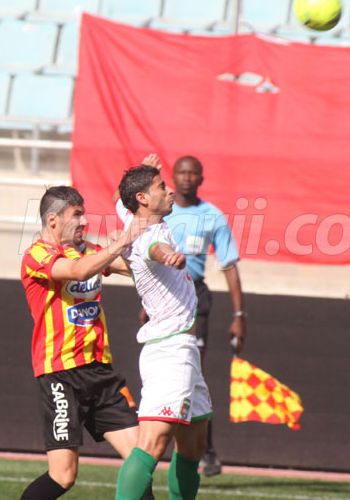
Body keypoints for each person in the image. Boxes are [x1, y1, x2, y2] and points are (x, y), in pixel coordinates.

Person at [19, 185, 153, 500]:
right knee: (64, 476)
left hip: (101, 373)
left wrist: (151, 229)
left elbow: (136, 269)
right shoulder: (36, 255)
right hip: (60, 374)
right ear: (53, 221)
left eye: (84, 214)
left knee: (140, 462)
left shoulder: (89, 251)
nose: (84, 222)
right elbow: (78, 271)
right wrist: (122, 240)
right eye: (76, 215)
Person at [114, 165, 211, 500]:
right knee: (152, 443)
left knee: (194, 443)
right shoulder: (150, 236)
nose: (169, 191)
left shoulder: (134, 220)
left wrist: (134, 178)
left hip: (182, 347)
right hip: (170, 350)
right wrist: (170, 256)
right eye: (161, 186)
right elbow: (156, 250)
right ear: (143, 199)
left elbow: (121, 203)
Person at [163, 155, 247, 476]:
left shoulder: (212, 216)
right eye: (180, 172)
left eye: (192, 173)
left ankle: (205, 450)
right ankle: (158, 438)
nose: (186, 178)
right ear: (172, 177)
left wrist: (239, 313)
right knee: (164, 370)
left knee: (192, 371)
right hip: (162, 296)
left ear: (201, 178)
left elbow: (229, 265)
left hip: (195, 297)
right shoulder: (162, 213)